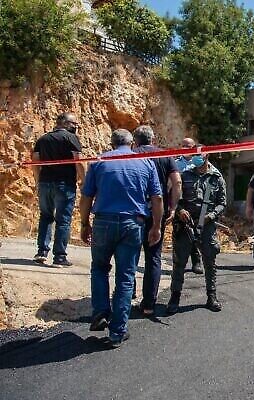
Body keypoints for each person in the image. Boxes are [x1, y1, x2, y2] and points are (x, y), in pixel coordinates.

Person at [79, 129, 163, 347]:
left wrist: (84, 223)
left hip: (103, 222)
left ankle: (100, 311)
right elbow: (157, 198)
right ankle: (117, 332)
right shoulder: (145, 163)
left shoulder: (99, 162)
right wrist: (156, 226)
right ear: (132, 144)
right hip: (132, 224)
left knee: (99, 268)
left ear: (112, 143)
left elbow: (86, 196)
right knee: (125, 277)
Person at [167, 153, 226, 313]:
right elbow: (173, 198)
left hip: (207, 226)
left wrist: (211, 216)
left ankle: (212, 296)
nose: (195, 158)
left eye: (198, 155)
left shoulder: (216, 178)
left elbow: (222, 203)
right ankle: (175, 297)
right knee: (179, 262)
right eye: (193, 155)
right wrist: (179, 210)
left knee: (210, 262)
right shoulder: (184, 175)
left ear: (206, 156)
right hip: (185, 225)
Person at [133, 125, 182, 316]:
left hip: (134, 212)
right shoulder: (166, 156)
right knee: (153, 257)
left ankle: (127, 295)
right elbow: (177, 182)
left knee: (130, 254)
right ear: (153, 139)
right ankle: (149, 304)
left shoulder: (130, 155)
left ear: (135, 141)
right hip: (157, 211)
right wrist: (173, 207)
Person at [32, 112, 85, 266]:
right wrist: (85, 181)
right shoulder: (71, 138)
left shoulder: (43, 139)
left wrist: (38, 181)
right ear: (65, 123)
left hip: (45, 183)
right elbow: (79, 161)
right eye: (74, 124)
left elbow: (35, 161)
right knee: (63, 220)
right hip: (64, 184)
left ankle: (42, 252)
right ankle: (59, 257)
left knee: (45, 216)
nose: (76, 126)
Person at [174, 137, 204, 274]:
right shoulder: (175, 163)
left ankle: (197, 260)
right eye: (183, 145)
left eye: (188, 146)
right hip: (180, 202)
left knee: (196, 234)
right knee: (180, 232)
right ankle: (178, 262)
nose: (185, 148)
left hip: (195, 203)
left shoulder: (198, 162)